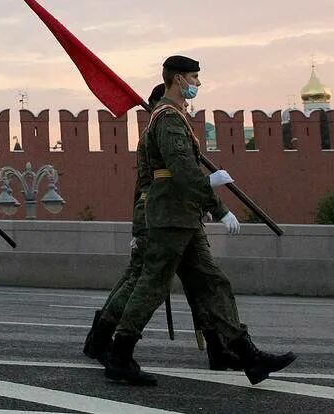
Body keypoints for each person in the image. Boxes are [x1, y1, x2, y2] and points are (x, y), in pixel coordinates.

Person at [104, 55, 296, 386]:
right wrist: (216, 201)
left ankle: (248, 356)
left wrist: (211, 203)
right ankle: (120, 355)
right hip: (170, 216)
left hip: (183, 216)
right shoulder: (167, 119)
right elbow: (182, 170)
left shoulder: (173, 117)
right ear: (178, 79)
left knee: (212, 282)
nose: (197, 84)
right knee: (152, 284)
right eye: (194, 77)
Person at [83, 84, 243, 371]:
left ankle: (220, 347)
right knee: (143, 280)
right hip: (160, 214)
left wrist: (198, 204)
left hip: (175, 211)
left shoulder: (163, 129)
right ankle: (103, 339)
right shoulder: (160, 129)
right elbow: (158, 182)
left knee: (197, 282)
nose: (185, 107)